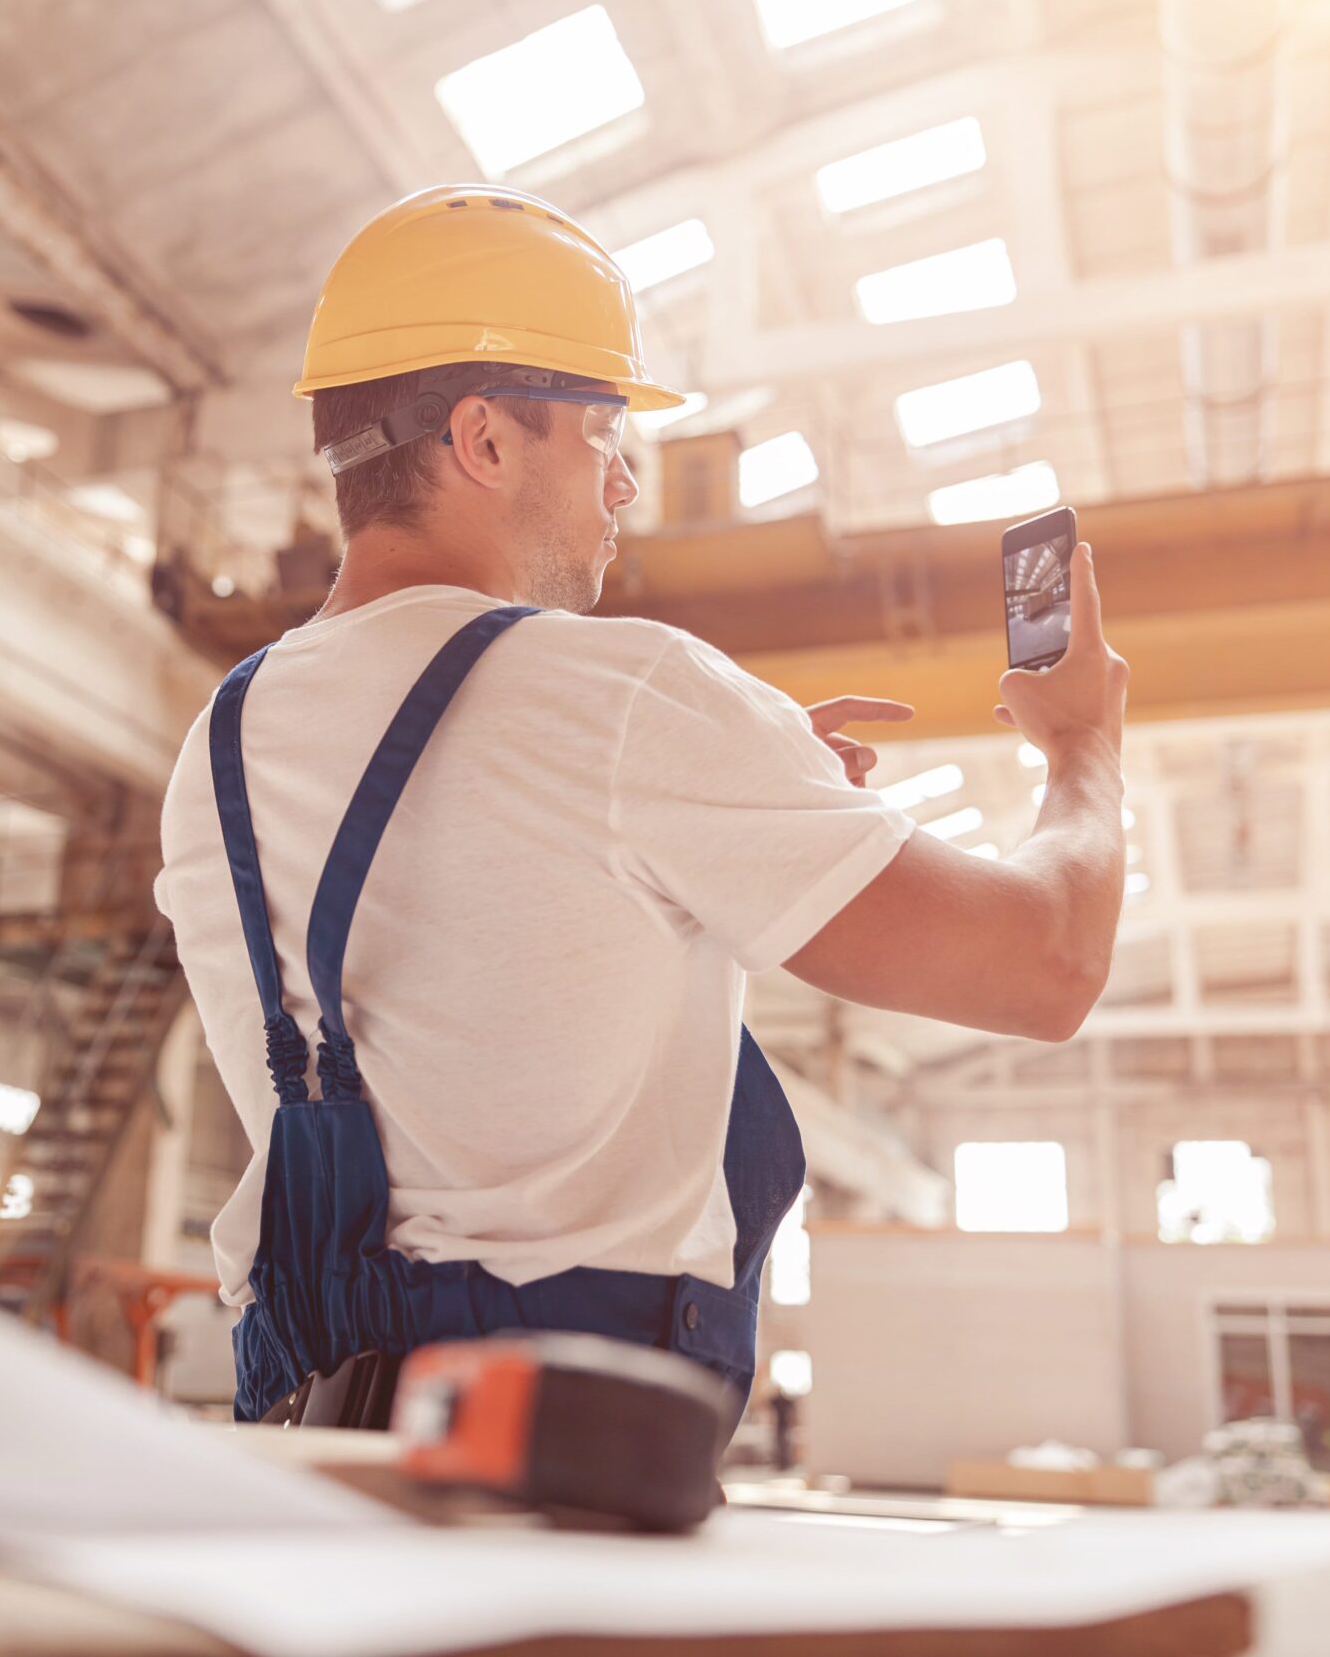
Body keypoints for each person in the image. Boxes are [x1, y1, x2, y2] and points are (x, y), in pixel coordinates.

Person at [153, 185, 1128, 1427]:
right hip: (561, 1458)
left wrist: (742, 805)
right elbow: (1047, 966)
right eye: (604, 434)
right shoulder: (625, 694)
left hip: (308, 1447)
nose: (621, 488)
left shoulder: (222, 739)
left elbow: (491, 939)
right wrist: (1082, 747)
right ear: (485, 440)